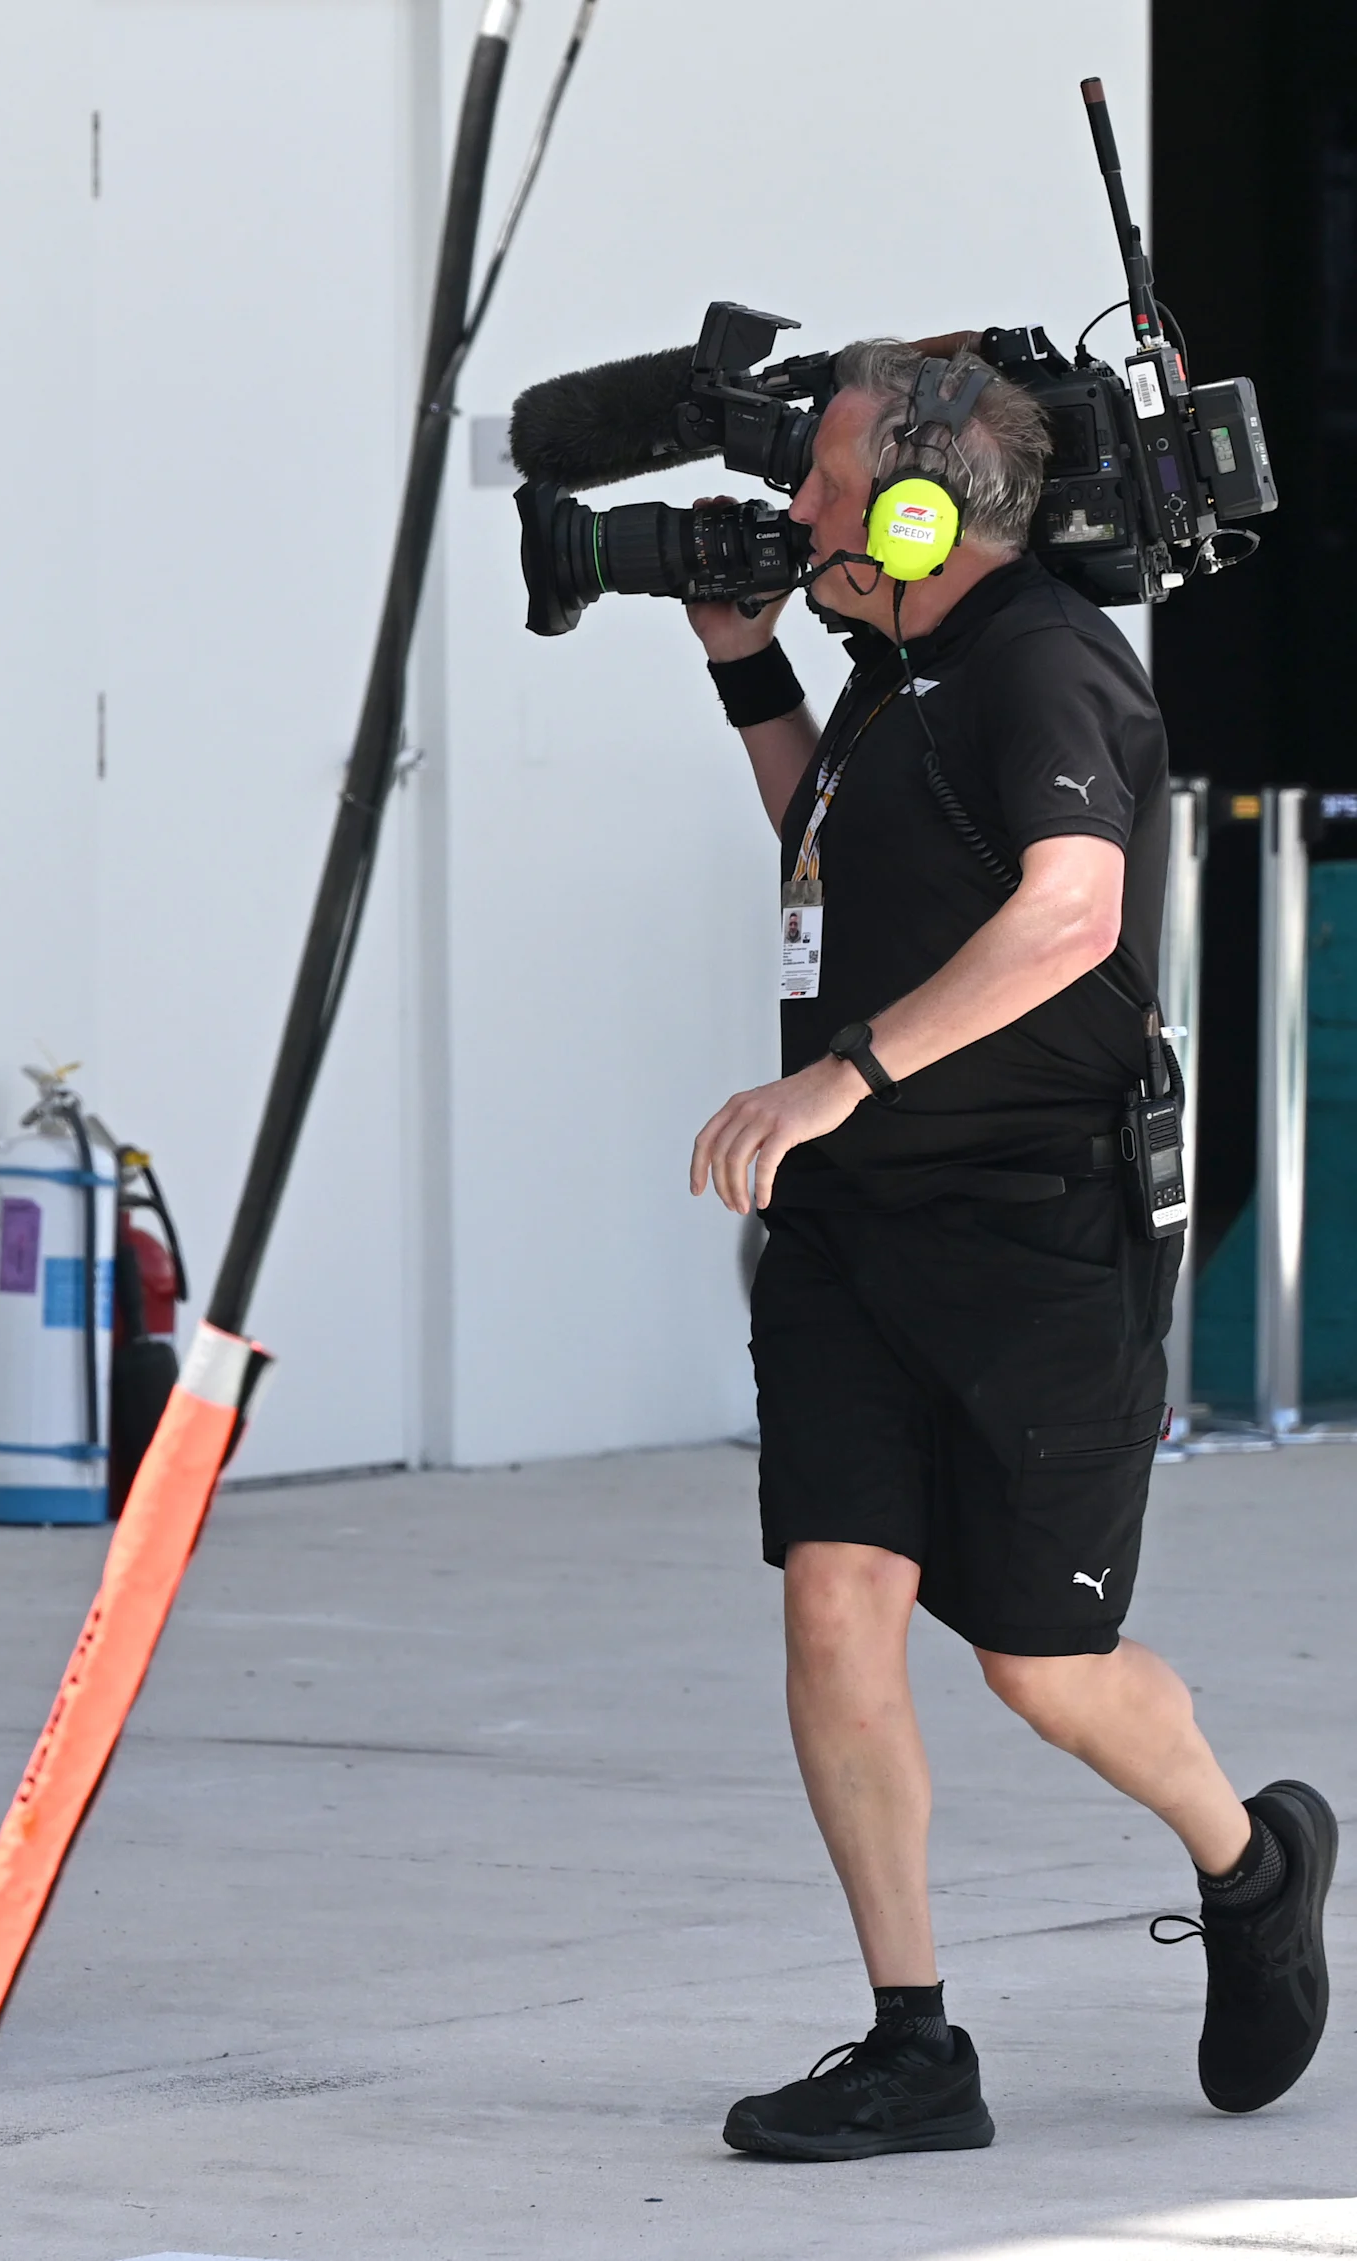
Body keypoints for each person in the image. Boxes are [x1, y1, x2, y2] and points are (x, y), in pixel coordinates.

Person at [685, 338, 1334, 2159]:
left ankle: (1254, 1860)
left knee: (1043, 1666)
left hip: (1037, 1232)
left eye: (823, 481)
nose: (793, 507)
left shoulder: (1049, 662)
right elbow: (842, 853)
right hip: (852, 1232)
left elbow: (1069, 916)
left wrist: (842, 1074)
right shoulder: (898, 672)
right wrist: (748, 671)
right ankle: (915, 2043)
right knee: (836, 1597)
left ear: (916, 510)